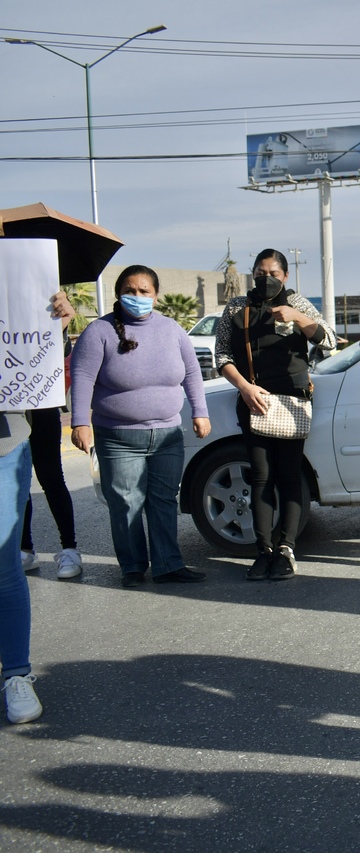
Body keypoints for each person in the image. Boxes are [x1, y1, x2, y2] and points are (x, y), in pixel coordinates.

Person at [69, 266, 211, 588]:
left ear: (155, 296)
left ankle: (167, 565)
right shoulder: (100, 331)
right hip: (118, 436)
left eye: (144, 291)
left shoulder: (172, 330)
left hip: (167, 434)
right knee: (125, 502)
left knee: (163, 500)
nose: (137, 297)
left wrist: (200, 412)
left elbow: (192, 374)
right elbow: (82, 378)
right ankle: (132, 566)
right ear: (119, 294)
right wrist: (80, 421)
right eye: (130, 291)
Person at [214, 249, 336, 581]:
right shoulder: (237, 307)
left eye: (273, 272)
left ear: (285, 276)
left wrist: (297, 318)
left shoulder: (299, 303)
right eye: (260, 272)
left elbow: (329, 342)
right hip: (254, 400)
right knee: (261, 476)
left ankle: (287, 549)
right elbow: (222, 353)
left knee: (289, 475)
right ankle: (263, 550)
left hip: (293, 400)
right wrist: (244, 388)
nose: (266, 278)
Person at [2, 291, 73, 724]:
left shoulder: (13, 291)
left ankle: (15, 673)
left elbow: (30, 361)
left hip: (4, 441)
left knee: (4, 566)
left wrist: (53, 328)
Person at [21, 316, 81, 580]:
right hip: (8, 411)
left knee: (52, 479)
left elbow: (62, 351)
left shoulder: (38, 308)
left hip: (42, 406)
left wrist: (62, 324)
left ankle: (69, 549)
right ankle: (24, 550)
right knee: (16, 484)